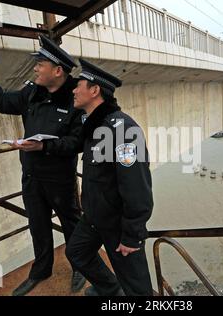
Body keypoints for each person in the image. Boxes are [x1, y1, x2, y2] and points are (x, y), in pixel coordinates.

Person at [0, 35, 86, 296]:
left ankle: (81, 266)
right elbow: (2, 102)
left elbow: (77, 142)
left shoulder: (75, 99)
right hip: (32, 178)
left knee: (72, 225)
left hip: (60, 180)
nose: (35, 68)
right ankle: (41, 271)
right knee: (38, 226)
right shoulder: (32, 92)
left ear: (57, 71)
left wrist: (45, 146)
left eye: (41, 64)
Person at [66, 59, 154, 296]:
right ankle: (110, 290)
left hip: (118, 225)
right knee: (76, 253)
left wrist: (132, 236)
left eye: (79, 85)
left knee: (137, 287)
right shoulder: (94, 126)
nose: (74, 90)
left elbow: (137, 188)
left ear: (94, 90)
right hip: (94, 218)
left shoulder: (124, 130)